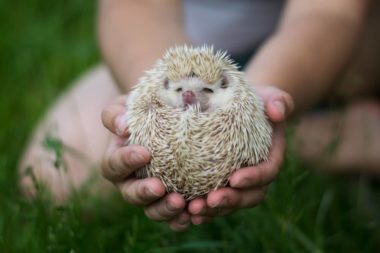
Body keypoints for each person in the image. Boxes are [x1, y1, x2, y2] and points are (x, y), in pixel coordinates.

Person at [19, 0, 380, 231]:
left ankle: (301, 128)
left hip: (338, 42)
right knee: (55, 178)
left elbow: (329, 15)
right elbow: (132, 9)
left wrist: (255, 107)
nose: (190, 101)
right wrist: (151, 103)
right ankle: (332, 136)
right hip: (179, 46)